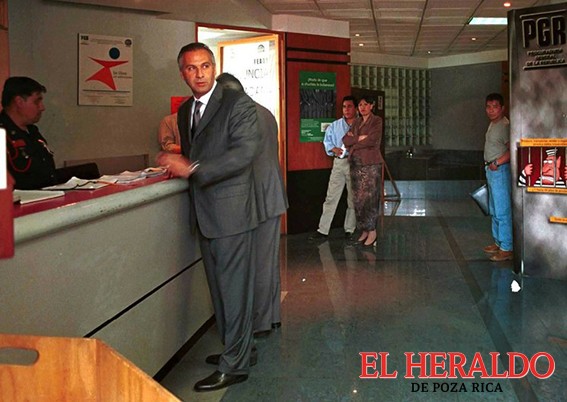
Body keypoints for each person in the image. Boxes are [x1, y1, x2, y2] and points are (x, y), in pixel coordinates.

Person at [156, 43, 260, 392]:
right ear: (182, 73)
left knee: (233, 291)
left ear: (214, 68)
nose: (199, 74)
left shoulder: (236, 103)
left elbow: (244, 153)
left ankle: (235, 365)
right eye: (191, 68)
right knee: (220, 291)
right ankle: (240, 350)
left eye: (204, 66)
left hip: (231, 213)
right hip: (205, 213)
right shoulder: (186, 110)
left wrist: (193, 168)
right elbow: (192, 152)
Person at [216, 72, 289, 338]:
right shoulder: (265, 112)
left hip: (252, 197)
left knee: (255, 263)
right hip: (271, 194)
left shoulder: (235, 115)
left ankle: (258, 324)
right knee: (268, 260)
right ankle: (272, 316)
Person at [309, 96, 357, 240]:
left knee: (352, 198)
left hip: (354, 163)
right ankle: (323, 230)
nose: (346, 109)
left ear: (355, 108)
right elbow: (327, 142)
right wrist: (333, 149)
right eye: (344, 107)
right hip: (339, 163)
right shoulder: (335, 126)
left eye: (349, 106)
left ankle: (350, 229)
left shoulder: (360, 125)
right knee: (331, 197)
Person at [1, 76, 57, 190]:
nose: (42, 107)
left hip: (47, 196)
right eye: (37, 101)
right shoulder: (3, 134)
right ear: (19, 102)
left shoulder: (32, 131)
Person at [343, 96, 383, 247]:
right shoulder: (357, 122)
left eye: (366, 104)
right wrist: (359, 138)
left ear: (371, 106)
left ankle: (372, 231)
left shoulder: (376, 121)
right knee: (358, 199)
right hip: (356, 164)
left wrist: (354, 142)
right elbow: (345, 140)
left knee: (370, 198)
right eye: (360, 105)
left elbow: (373, 140)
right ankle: (364, 229)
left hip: (370, 164)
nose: (362, 107)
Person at [482, 93, 513, 262]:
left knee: (502, 210)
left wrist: (497, 162)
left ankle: (507, 247)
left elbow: (512, 150)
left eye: (495, 107)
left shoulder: (504, 125)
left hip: (500, 170)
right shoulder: (493, 124)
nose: (491, 110)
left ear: (502, 108)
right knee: (494, 209)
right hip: (492, 170)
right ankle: (498, 242)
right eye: (488, 107)